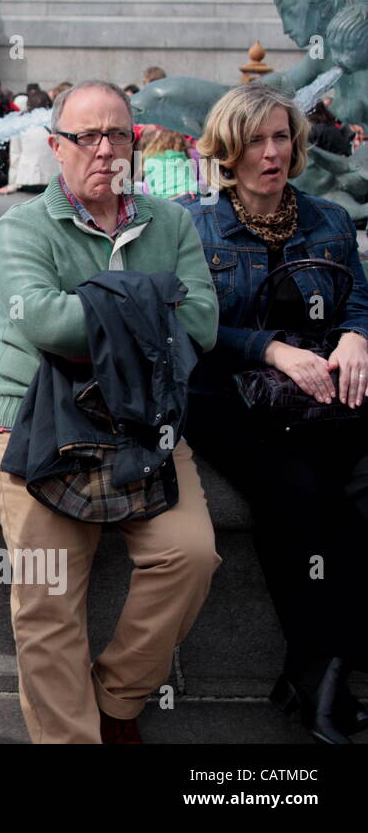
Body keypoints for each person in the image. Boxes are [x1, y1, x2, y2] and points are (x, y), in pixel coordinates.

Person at [0, 80, 221, 744]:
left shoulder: (171, 223)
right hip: (38, 427)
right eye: (87, 135)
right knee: (48, 598)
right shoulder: (20, 228)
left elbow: (201, 323)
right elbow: (46, 324)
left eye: (119, 133)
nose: (105, 148)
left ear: (135, 145)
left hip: (145, 425)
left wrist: (101, 307)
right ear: (56, 148)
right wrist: (147, 303)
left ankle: (115, 701)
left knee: (191, 556)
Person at [177, 82, 368, 744]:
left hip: (316, 402)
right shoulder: (192, 223)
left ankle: (317, 669)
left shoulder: (328, 220)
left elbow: (357, 302)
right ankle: (322, 672)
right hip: (222, 399)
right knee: (302, 495)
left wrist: (355, 337)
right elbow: (193, 329)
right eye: (256, 140)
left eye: (282, 137)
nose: (271, 152)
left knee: (355, 491)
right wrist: (272, 349)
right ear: (229, 149)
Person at [0, 88, 59, 195]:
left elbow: (15, 156)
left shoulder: (21, 126)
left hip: (27, 179)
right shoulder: (56, 125)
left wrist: (12, 184)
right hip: (53, 180)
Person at [139, 126, 196, 197]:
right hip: (187, 193)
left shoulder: (148, 160)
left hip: (166, 200)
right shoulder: (181, 154)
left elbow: (149, 187)